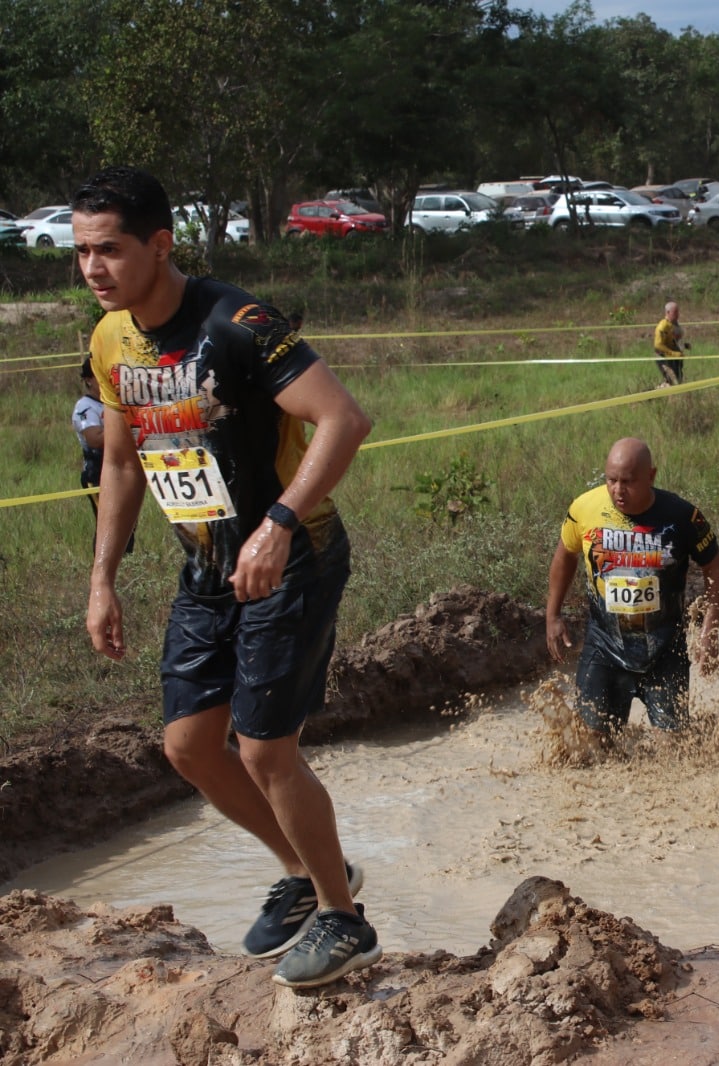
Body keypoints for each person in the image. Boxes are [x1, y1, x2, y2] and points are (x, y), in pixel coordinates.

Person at [74, 166, 379, 990]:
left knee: (265, 747)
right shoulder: (110, 342)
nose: (93, 268)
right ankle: (317, 875)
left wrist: (278, 525)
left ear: (160, 245)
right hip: (207, 565)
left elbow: (344, 419)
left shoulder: (238, 324)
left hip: (293, 555)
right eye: (81, 253)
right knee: (188, 747)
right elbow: (120, 461)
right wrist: (103, 578)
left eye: (109, 250)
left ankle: (344, 925)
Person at [546, 438, 719, 733]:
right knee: (590, 742)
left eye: (628, 481)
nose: (618, 490)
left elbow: (715, 568)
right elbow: (565, 555)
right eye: (611, 480)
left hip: (664, 646)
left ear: (651, 476)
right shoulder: (584, 508)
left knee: (676, 747)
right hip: (604, 643)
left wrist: (710, 631)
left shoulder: (682, 516)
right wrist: (553, 615)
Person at [73, 357, 134, 554]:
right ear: (89, 380)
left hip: (123, 471)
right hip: (96, 475)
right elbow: (94, 439)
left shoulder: (115, 402)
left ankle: (127, 565)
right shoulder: (85, 407)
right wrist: (124, 426)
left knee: (128, 524)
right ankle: (103, 570)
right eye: (100, 376)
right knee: (108, 525)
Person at [652, 301, 690, 386]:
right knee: (673, 381)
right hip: (664, 357)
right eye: (675, 312)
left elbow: (674, 341)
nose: (677, 315)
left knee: (678, 380)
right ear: (668, 312)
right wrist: (673, 353)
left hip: (675, 358)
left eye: (678, 312)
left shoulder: (675, 324)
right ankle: (654, 394)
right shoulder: (663, 326)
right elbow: (658, 345)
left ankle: (664, 395)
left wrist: (684, 345)